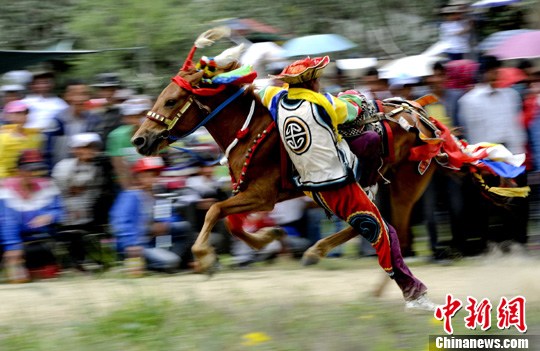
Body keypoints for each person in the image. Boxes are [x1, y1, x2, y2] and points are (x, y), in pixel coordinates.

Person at [259, 56, 437, 311]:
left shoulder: (276, 98)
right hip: (338, 186)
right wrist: (352, 95)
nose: (320, 81)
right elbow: (354, 108)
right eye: (318, 78)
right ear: (312, 81)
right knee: (387, 234)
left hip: (308, 187)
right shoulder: (325, 103)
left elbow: (254, 88)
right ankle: (414, 295)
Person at [457, 55, 528, 253]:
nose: (497, 73)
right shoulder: (469, 100)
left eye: (498, 69)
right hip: (487, 158)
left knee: (518, 202)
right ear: (485, 72)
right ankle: (488, 246)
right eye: (493, 70)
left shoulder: (511, 95)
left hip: (510, 155)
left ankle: (517, 244)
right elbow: (471, 133)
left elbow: (514, 127)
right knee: (487, 205)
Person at [109, 156, 196, 275]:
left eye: (155, 175)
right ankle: (139, 265)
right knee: (170, 262)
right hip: (136, 246)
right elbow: (121, 223)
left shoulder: (158, 197)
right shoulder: (131, 196)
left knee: (184, 227)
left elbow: (172, 217)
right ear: (138, 177)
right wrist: (131, 244)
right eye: (149, 174)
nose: (153, 178)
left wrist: (165, 224)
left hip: (154, 242)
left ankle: (177, 263)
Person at [0, 149, 64, 283]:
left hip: (39, 238)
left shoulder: (48, 186)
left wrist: (49, 216)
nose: (34, 174)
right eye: (29, 170)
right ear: (19, 171)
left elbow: (59, 211)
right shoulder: (5, 190)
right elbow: (6, 222)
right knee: (19, 279)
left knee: (48, 274)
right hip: (11, 239)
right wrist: (13, 247)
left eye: (37, 169)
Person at [51, 133, 113, 268]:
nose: (89, 151)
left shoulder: (99, 168)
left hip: (89, 215)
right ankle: (77, 261)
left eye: (92, 148)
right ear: (75, 150)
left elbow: (96, 194)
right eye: (84, 147)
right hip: (67, 215)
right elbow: (60, 193)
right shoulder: (63, 167)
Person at [106, 96, 152, 189]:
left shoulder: (156, 134)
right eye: (133, 116)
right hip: (127, 184)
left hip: (151, 182)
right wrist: (129, 189)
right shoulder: (116, 136)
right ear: (125, 118)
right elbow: (120, 169)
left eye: (142, 115)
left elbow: (158, 162)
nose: (138, 119)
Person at [0, 100, 43, 179]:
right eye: (16, 113)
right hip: (7, 179)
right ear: (8, 116)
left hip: (29, 179)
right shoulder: (3, 136)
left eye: (25, 113)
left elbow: (36, 162)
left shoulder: (34, 135)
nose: (22, 116)